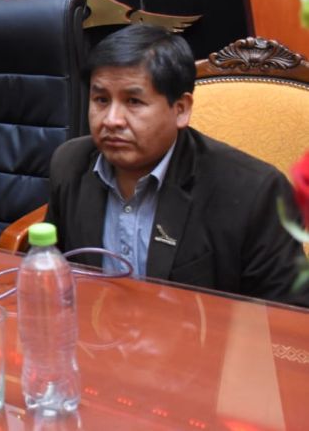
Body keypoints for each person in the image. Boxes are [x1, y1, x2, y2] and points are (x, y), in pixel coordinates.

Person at [44, 24, 309, 306]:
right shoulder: (70, 164)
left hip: (204, 333)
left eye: (133, 101)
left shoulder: (254, 191)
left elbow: (289, 315)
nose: (111, 120)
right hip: (95, 329)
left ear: (181, 109)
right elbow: (51, 273)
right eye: (101, 100)